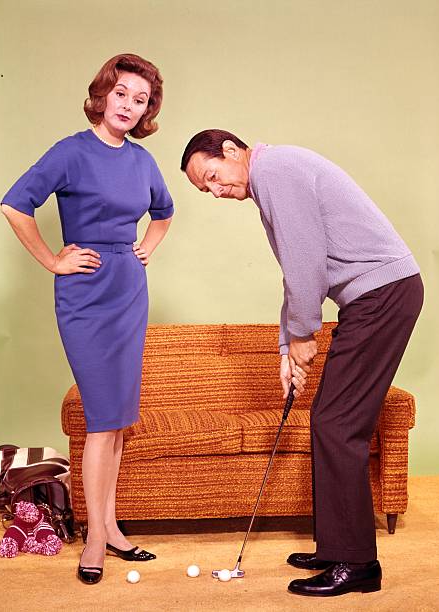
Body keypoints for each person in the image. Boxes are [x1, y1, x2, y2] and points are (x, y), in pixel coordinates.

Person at [180, 129, 423, 597]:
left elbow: (306, 263)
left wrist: (303, 335)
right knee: (329, 420)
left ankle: (357, 564)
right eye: (204, 189)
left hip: (383, 295)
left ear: (230, 151)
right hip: (374, 298)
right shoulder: (272, 175)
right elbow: (296, 272)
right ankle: (337, 546)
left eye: (211, 176)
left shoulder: (276, 171)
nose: (215, 191)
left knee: (337, 424)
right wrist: (285, 348)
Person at [0, 54, 174, 584]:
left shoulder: (143, 161)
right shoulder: (71, 151)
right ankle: (95, 536)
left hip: (128, 290)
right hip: (84, 290)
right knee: (101, 417)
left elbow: (164, 212)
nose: (129, 106)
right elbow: (14, 205)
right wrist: (53, 260)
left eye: (140, 100)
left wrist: (145, 248)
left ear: (146, 110)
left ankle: (110, 526)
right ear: (103, 95)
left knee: (117, 419)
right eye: (121, 93)